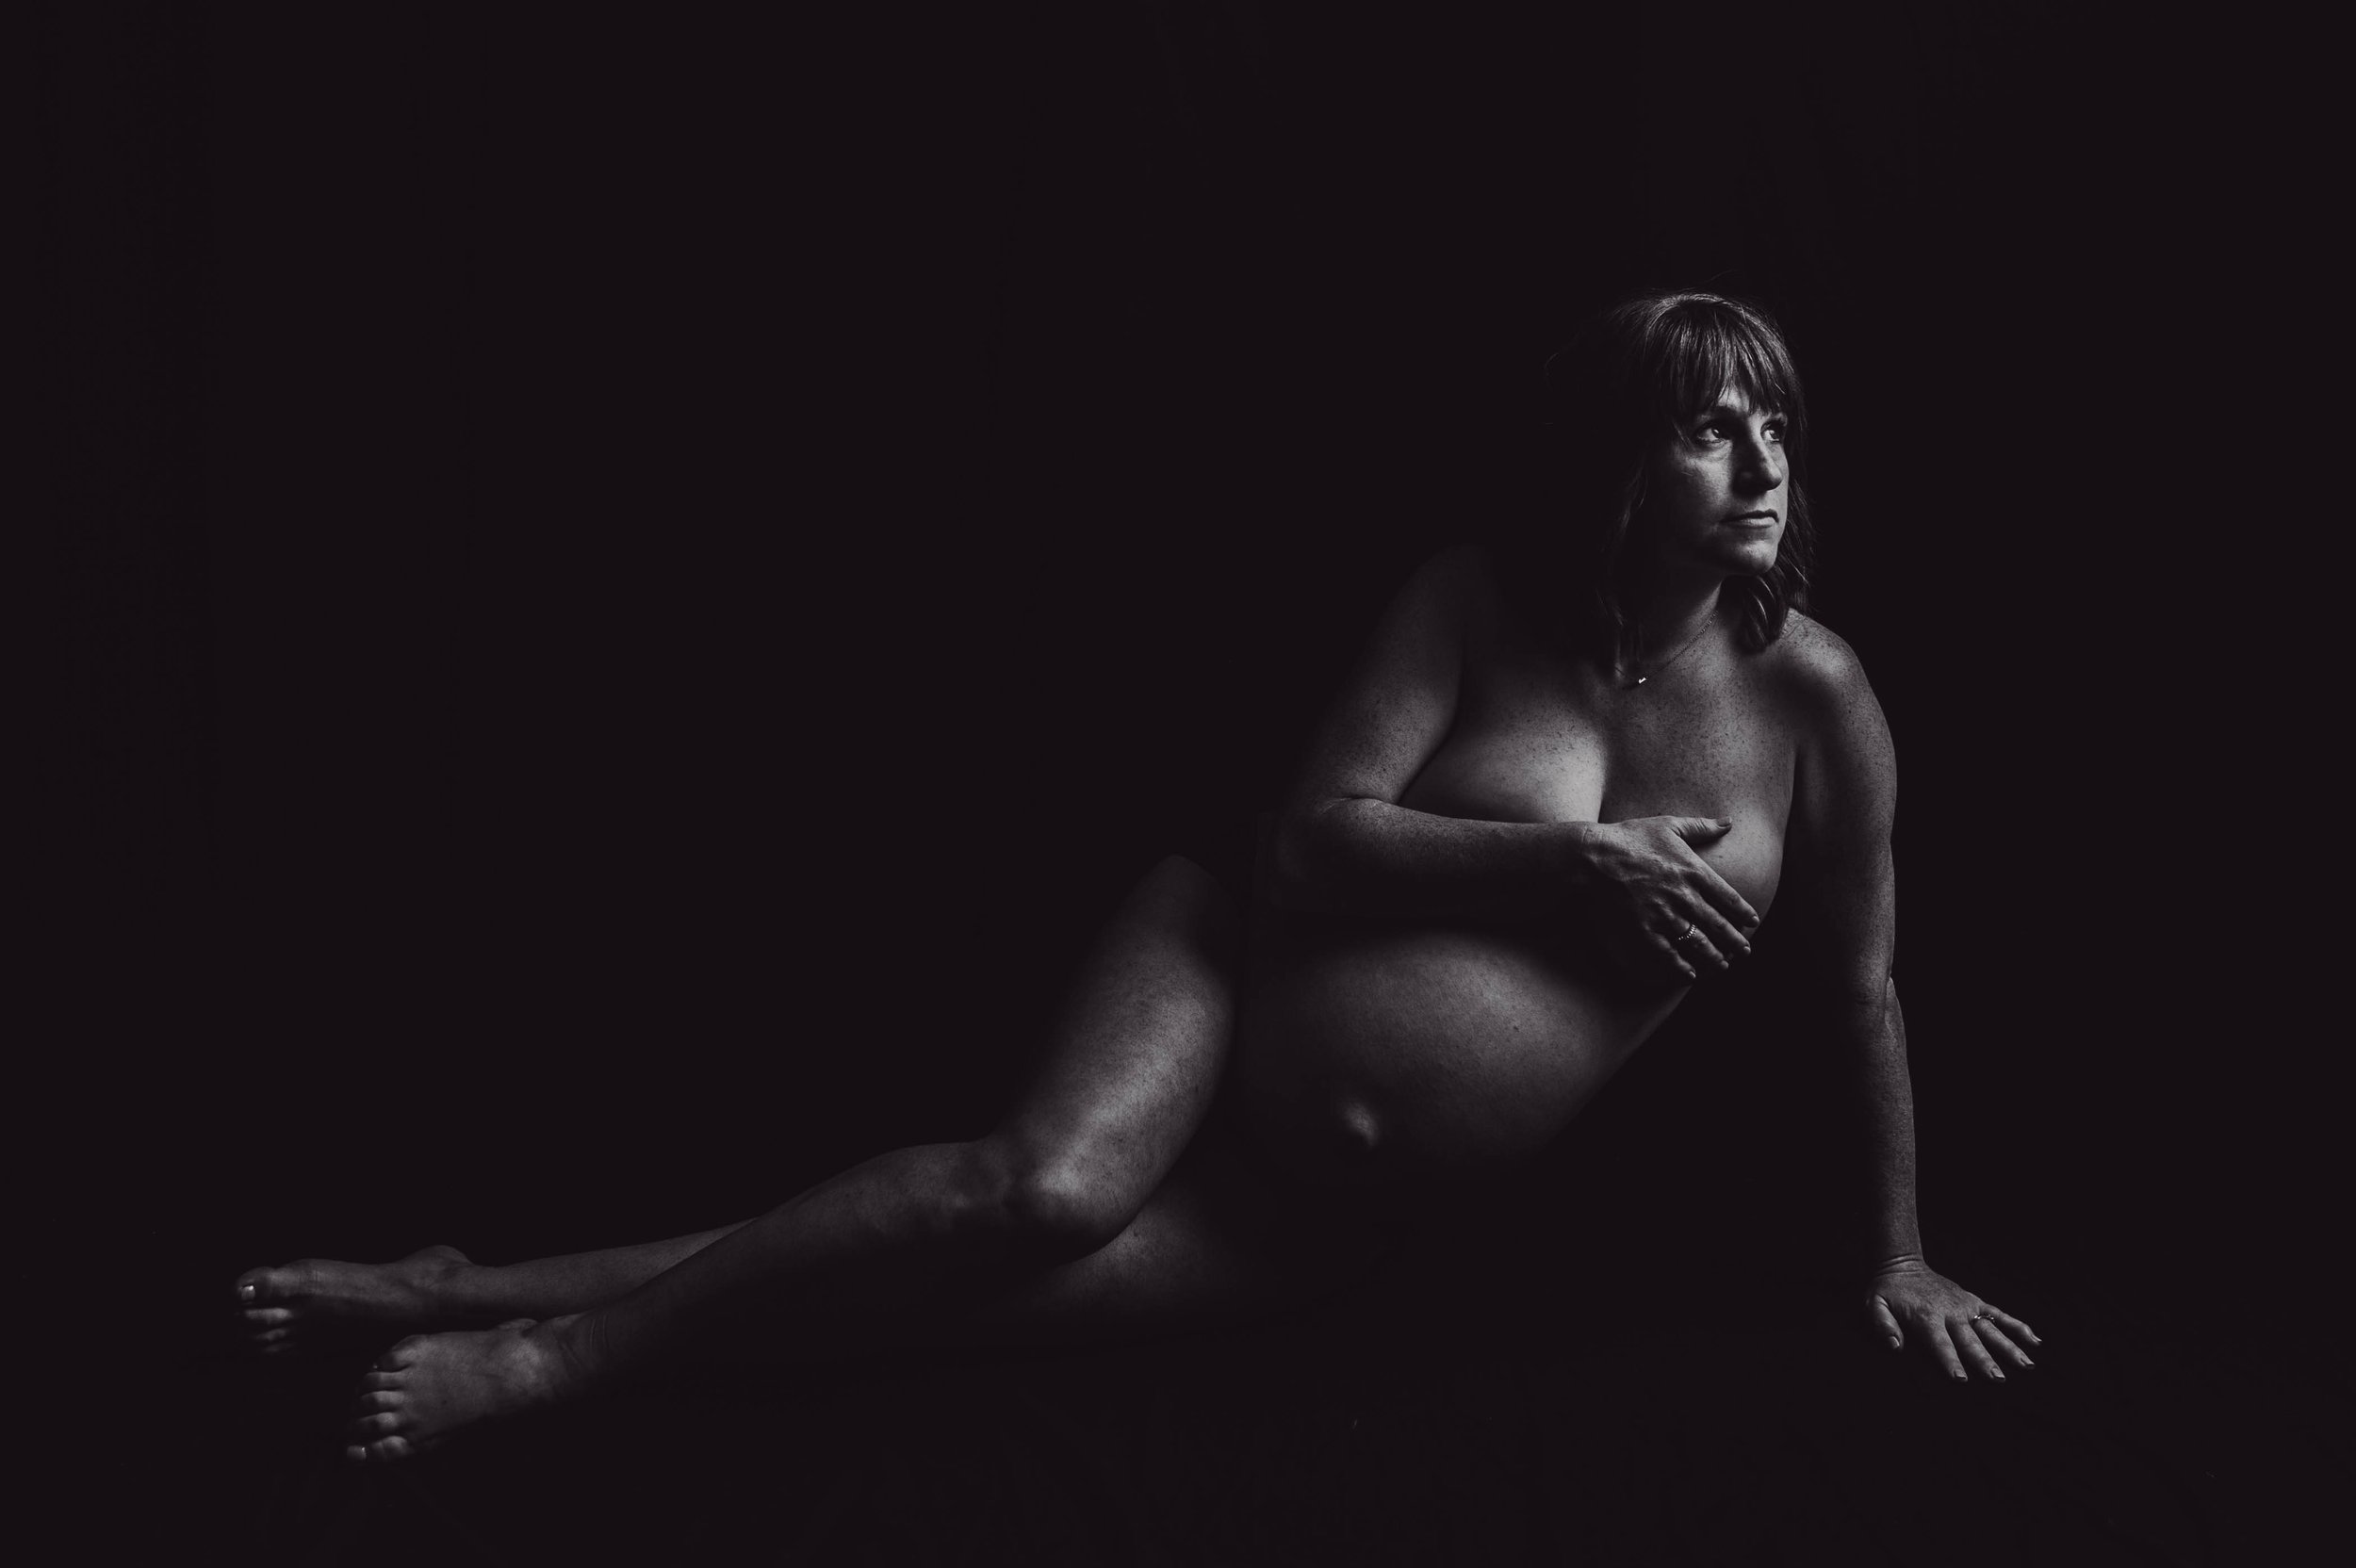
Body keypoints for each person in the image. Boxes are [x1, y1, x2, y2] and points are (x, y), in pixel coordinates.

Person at [235, 291, 2037, 1465]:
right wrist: (1570, 865)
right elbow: (1306, 843)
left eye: (1777, 428)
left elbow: (1857, 990)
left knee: (934, 1299)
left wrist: (1897, 1254)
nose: (1762, 465)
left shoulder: (1818, 701)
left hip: (1315, 1220)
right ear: (1618, 459)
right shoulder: (1474, 597)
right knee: (1033, 1189)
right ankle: (543, 1366)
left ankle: (462, 1285)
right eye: (1713, 427)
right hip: (1226, 967)